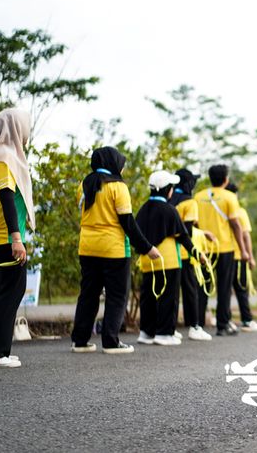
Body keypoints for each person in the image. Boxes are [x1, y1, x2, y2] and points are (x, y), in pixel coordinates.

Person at [71, 146, 161, 354]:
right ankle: (111, 342)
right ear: (113, 163)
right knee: (117, 295)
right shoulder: (118, 187)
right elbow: (127, 222)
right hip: (113, 250)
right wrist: (147, 248)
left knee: (88, 295)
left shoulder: (83, 184)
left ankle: (80, 341)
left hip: (87, 247)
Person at [136, 170, 208, 346]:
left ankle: (146, 333)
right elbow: (184, 237)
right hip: (168, 261)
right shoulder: (169, 210)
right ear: (167, 189)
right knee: (168, 297)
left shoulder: (143, 209)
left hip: (147, 261)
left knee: (148, 296)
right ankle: (164, 334)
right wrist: (198, 255)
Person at [0, 109, 34, 369]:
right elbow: (6, 197)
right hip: (5, 239)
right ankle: (0, 352)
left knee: (3, 292)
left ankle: (1, 350)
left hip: (3, 237)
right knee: (11, 292)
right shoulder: (5, 157)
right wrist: (16, 239)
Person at [194, 165, 249, 336]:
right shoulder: (230, 197)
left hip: (204, 249)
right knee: (224, 288)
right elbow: (235, 225)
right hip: (225, 248)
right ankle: (222, 324)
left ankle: (198, 325)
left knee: (203, 286)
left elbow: (194, 223)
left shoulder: (198, 196)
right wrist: (243, 250)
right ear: (226, 179)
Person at [169, 168, 212, 341]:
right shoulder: (190, 202)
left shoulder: (169, 198)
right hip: (185, 252)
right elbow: (186, 231)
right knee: (191, 291)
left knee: (172, 293)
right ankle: (194, 326)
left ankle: (170, 328)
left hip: (169, 252)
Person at [225, 182, 257, 332]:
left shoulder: (217, 209)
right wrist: (250, 256)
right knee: (242, 289)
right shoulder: (240, 212)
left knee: (225, 290)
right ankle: (247, 320)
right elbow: (246, 235)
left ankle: (226, 320)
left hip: (222, 255)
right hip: (238, 256)